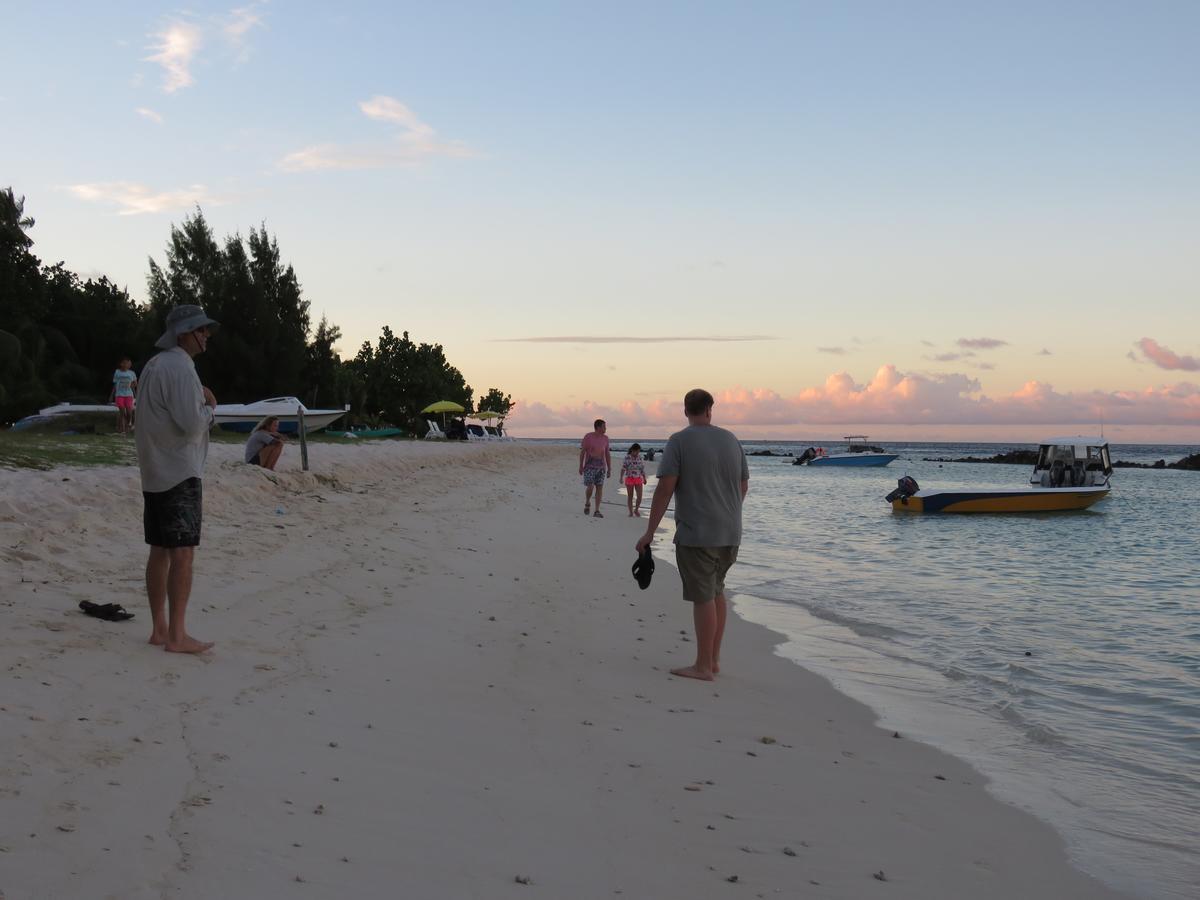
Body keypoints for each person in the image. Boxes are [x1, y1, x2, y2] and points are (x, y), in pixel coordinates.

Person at [636, 389, 748, 681]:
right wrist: (727, 513)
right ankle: (713, 660)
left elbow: (665, 488)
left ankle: (702, 666)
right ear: (710, 410)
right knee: (716, 591)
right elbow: (742, 485)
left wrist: (649, 532)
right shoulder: (731, 440)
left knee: (703, 597)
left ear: (686, 411)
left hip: (697, 533)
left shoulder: (679, 441)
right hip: (730, 531)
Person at [134, 304, 220, 654]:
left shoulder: (155, 365)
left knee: (160, 550)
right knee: (182, 553)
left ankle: (160, 629)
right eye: (201, 331)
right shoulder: (181, 369)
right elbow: (192, 424)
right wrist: (211, 406)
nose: (206, 337)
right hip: (179, 470)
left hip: (155, 470)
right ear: (184, 333)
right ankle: (177, 635)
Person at [579, 418, 611, 517]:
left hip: (601, 467)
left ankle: (597, 510)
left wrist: (609, 468)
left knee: (599, 487)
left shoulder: (605, 438)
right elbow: (583, 452)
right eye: (604, 426)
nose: (605, 428)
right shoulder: (588, 437)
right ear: (598, 427)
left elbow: (607, 453)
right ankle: (588, 501)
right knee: (591, 486)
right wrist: (581, 465)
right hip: (589, 466)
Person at [109, 356, 138, 435]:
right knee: (122, 411)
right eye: (125, 363)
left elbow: (135, 384)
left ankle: (129, 424)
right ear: (121, 364)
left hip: (129, 395)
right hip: (119, 395)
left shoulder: (132, 373)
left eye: (128, 363)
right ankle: (123, 429)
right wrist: (111, 395)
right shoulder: (117, 372)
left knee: (129, 412)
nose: (127, 365)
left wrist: (134, 391)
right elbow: (115, 384)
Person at [620, 443, 647, 517]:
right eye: (636, 451)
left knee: (639, 496)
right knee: (630, 496)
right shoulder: (627, 457)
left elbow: (642, 469)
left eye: (638, 451)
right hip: (629, 478)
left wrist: (644, 478)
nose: (637, 453)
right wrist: (621, 477)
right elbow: (623, 468)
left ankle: (636, 509)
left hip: (638, 478)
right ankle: (630, 512)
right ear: (632, 450)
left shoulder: (639, 457)